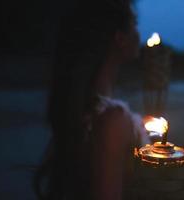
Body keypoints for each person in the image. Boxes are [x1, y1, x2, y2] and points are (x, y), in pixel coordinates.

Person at [34, 0, 149, 200]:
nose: (139, 33)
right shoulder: (112, 120)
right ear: (119, 38)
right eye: (135, 23)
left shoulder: (82, 107)